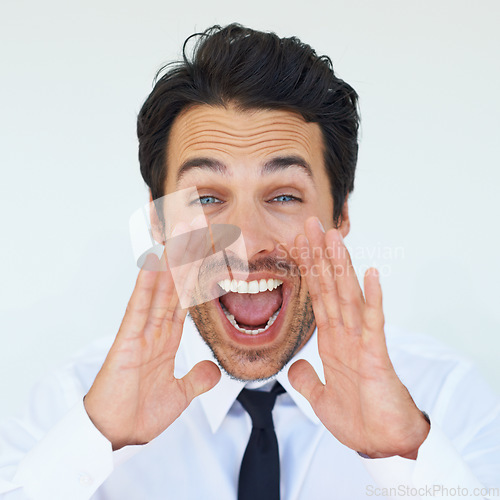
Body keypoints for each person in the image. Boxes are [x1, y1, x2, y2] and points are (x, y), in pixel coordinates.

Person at [1, 24, 499, 500]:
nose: (246, 243)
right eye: (206, 198)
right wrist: (97, 440)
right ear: (158, 220)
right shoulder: (73, 401)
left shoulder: (443, 399)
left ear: (340, 213)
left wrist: (402, 455)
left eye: (283, 196)